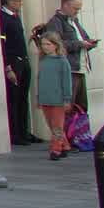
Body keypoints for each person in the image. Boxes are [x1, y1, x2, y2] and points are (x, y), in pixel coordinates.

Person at [0, 0, 43, 145]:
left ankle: (24, 131)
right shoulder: (3, 18)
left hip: (23, 60)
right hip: (13, 62)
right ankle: (15, 134)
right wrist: (8, 67)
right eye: (16, 0)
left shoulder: (15, 17)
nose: (20, 3)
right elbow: (3, 44)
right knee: (14, 99)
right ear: (8, 1)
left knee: (23, 98)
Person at [43, 0, 98, 111]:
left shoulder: (74, 21)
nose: (77, 11)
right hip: (69, 69)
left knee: (82, 107)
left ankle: (81, 129)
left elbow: (83, 37)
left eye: (79, 9)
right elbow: (55, 44)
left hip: (80, 68)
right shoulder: (55, 22)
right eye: (75, 8)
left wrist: (89, 43)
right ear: (65, 5)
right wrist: (80, 44)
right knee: (68, 108)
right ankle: (69, 129)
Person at [36, 32, 75, 161]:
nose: (45, 47)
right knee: (51, 125)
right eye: (43, 44)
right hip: (45, 98)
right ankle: (65, 146)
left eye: (48, 44)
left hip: (58, 100)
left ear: (55, 45)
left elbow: (67, 81)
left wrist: (66, 99)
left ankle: (56, 149)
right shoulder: (43, 61)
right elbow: (40, 79)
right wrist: (38, 97)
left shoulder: (62, 62)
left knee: (57, 126)